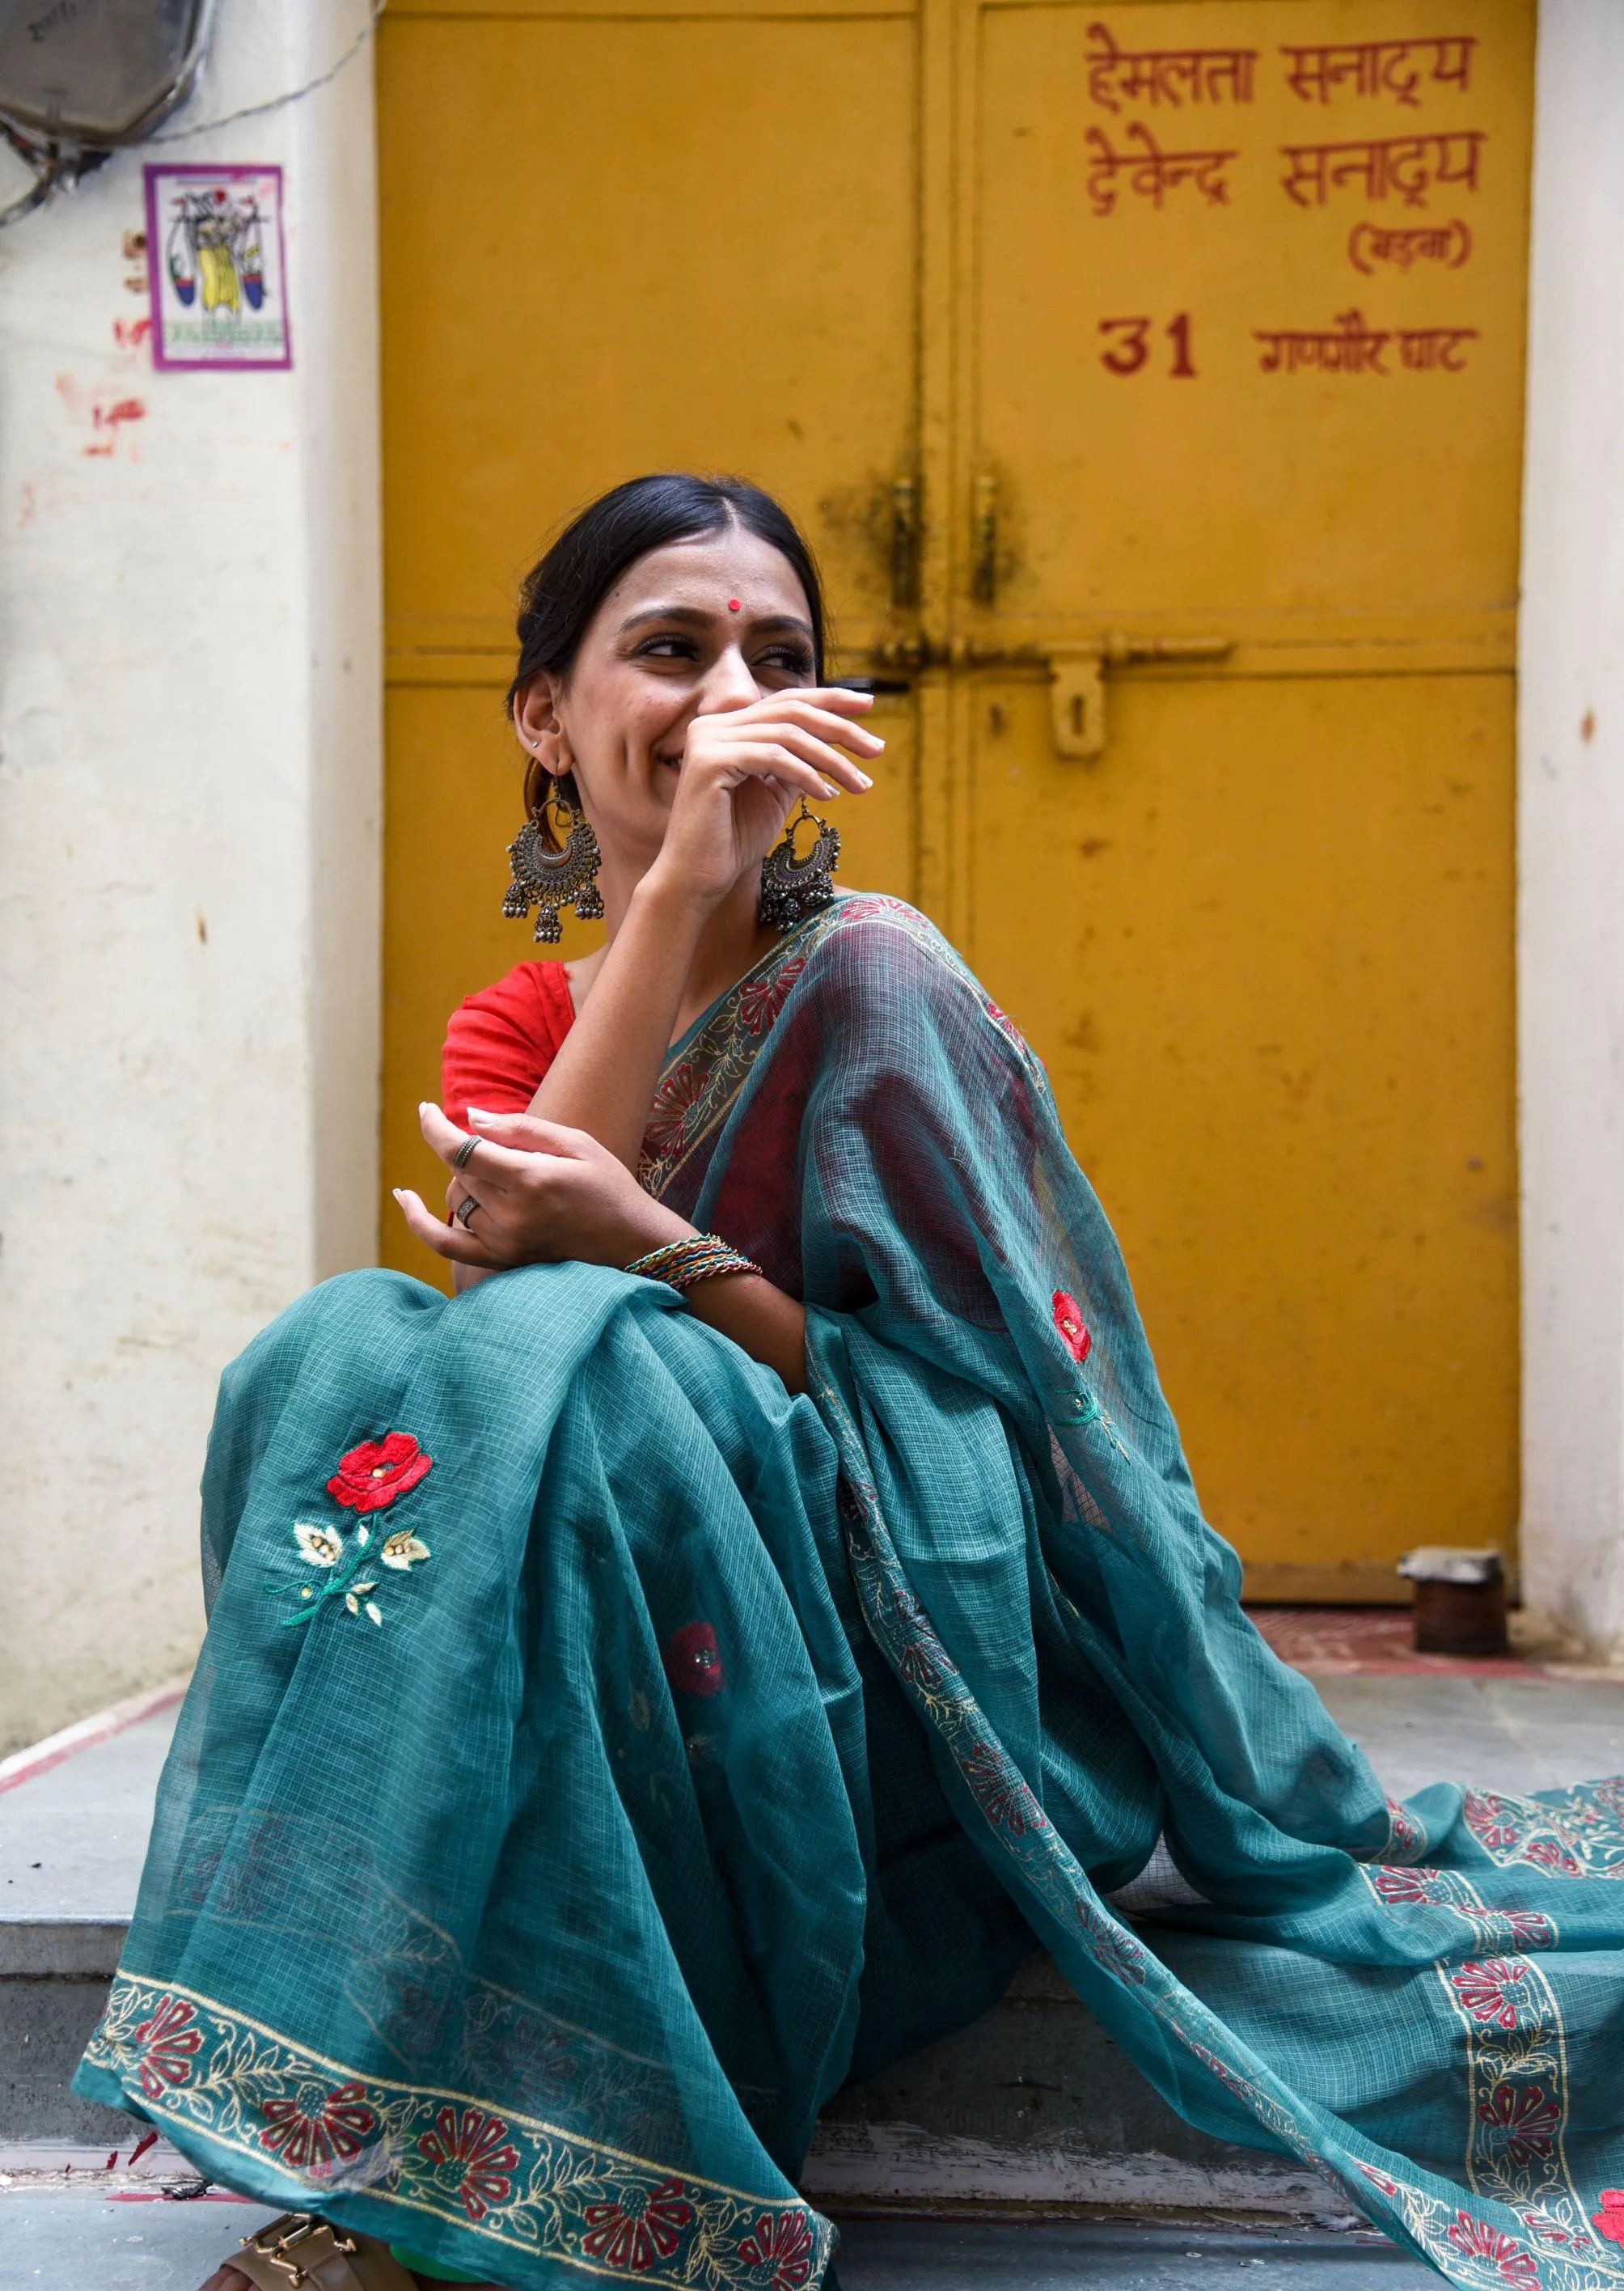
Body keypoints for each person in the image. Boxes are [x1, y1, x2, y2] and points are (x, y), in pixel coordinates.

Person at [78, 476, 1624, 2291]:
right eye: (671, 649)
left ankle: (499, 2184)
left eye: (779, 656)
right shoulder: (524, 1020)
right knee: (352, 1345)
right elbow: (502, 1319)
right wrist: (670, 902)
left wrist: (658, 1248)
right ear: (543, 716)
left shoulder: (878, 982)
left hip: (896, 1684)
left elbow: (995, 1444)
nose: (734, 692)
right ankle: (395, 2130)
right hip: (640, 1614)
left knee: (612, 1369)